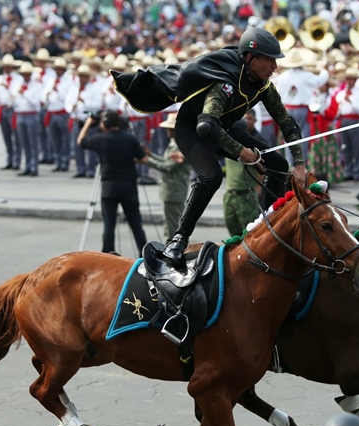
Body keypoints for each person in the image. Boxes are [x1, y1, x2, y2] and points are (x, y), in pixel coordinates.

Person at [112, 27, 307, 267]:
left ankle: (267, 226)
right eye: (270, 61)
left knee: (277, 162)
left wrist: (299, 164)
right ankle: (178, 240)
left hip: (222, 128)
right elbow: (206, 126)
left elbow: (286, 123)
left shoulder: (265, 86)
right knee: (211, 176)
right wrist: (240, 151)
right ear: (250, 58)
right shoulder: (225, 82)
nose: (275, 68)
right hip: (192, 129)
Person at [78, 110, 148, 256]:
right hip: (128, 187)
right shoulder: (130, 138)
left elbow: (81, 141)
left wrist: (89, 122)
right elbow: (143, 159)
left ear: (106, 124)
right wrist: (128, 159)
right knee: (135, 223)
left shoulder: (100, 139)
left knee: (109, 225)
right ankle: (145, 255)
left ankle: (108, 255)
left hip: (109, 189)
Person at [141, 112, 192, 241]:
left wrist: (148, 160)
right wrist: (151, 155)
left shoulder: (178, 146)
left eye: (169, 129)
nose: (167, 132)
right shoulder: (175, 144)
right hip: (173, 189)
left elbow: (167, 166)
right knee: (171, 223)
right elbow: (166, 161)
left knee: (172, 228)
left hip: (174, 190)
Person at [223, 112, 261, 236]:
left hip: (246, 195)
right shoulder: (228, 146)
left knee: (249, 235)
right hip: (230, 195)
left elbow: (263, 167)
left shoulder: (251, 147)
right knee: (234, 236)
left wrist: (259, 186)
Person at [42, 57, 73, 172]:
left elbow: (67, 98)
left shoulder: (68, 81)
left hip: (62, 112)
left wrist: (57, 90)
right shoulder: (51, 80)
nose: (58, 71)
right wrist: (46, 96)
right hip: (52, 111)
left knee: (65, 138)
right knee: (54, 139)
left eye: (60, 69)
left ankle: (65, 161)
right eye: (57, 69)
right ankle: (58, 160)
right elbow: (44, 93)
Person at [13, 62, 43, 177]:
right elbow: (15, 100)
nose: (25, 76)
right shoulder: (18, 84)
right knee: (24, 142)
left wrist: (24, 93)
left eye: (27, 74)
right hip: (21, 114)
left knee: (33, 142)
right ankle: (27, 165)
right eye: (24, 74)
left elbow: (35, 102)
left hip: (31, 114)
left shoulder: (36, 85)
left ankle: (34, 166)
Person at [0, 54, 22, 171]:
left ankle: (17, 160)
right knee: (6, 136)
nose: (6, 69)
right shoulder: (0, 78)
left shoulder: (18, 79)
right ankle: (9, 159)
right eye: (5, 67)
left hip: (13, 109)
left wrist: (8, 88)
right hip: (2, 108)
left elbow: (16, 94)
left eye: (9, 67)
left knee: (16, 136)